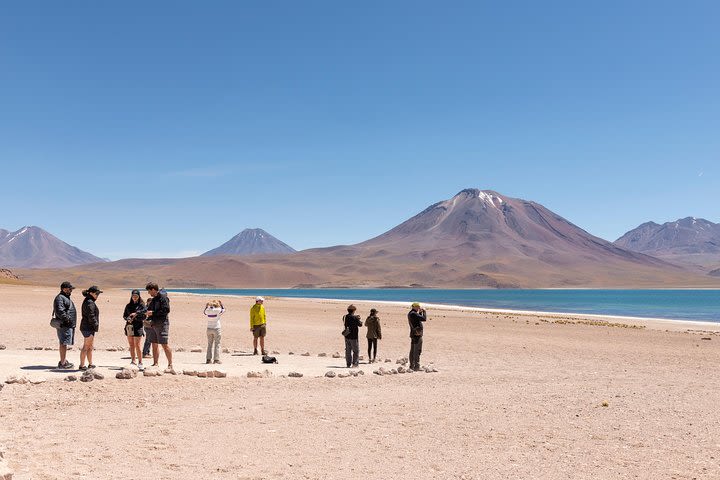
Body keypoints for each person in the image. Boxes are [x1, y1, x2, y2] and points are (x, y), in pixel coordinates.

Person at [145, 282, 173, 372]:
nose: (149, 293)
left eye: (149, 291)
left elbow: (166, 310)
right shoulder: (153, 300)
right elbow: (149, 310)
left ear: (153, 290)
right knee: (154, 343)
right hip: (154, 323)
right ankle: (155, 363)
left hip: (162, 323)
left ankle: (170, 364)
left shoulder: (163, 298)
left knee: (164, 344)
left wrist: (153, 313)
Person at [53, 281, 77, 369]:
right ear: (64, 289)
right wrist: (67, 319)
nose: (71, 291)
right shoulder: (60, 298)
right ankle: (63, 363)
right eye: (70, 289)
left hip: (67, 324)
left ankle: (63, 360)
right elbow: (60, 311)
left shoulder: (64, 297)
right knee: (63, 343)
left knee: (64, 343)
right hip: (64, 325)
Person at [79, 286, 103, 371]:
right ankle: (82, 365)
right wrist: (96, 324)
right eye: (96, 293)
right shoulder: (89, 302)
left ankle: (90, 364)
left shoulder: (89, 301)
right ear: (91, 293)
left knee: (90, 346)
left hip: (88, 327)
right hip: (88, 327)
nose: (97, 295)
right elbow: (91, 316)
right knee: (86, 346)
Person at [123, 289, 147, 370]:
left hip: (138, 327)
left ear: (139, 296)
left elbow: (144, 315)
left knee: (137, 345)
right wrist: (128, 319)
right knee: (131, 345)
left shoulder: (142, 305)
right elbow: (124, 315)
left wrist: (136, 314)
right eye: (133, 296)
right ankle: (133, 361)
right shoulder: (128, 305)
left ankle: (140, 362)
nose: (134, 297)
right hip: (129, 327)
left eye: (136, 296)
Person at [204, 299, 225, 364]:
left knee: (209, 344)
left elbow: (204, 311)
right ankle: (216, 360)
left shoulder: (208, 310)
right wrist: (221, 304)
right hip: (216, 328)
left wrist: (207, 306)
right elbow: (223, 310)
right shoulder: (218, 310)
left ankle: (208, 359)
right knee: (217, 344)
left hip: (209, 328)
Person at [407, 302, 427, 371]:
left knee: (412, 350)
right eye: (418, 307)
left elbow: (419, 319)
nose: (419, 308)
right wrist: (424, 311)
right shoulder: (413, 314)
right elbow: (424, 319)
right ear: (415, 307)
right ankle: (416, 366)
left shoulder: (411, 313)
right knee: (417, 350)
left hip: (413, 333)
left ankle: (412, 365)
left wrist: (420, 313)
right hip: (417, 334)